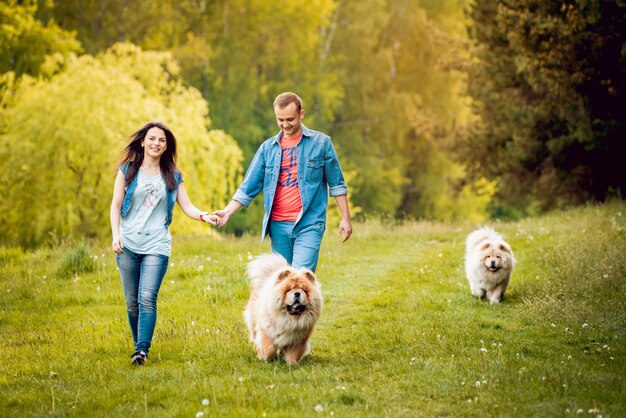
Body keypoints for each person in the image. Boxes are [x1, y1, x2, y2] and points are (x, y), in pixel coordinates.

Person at [110, 121, 217, 366]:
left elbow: (187, 206)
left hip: (157, 246)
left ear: (166, 146)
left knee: (147, 297)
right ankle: (139, 347)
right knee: (132, 300)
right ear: (143, 142)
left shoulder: (173, 175)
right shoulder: (127, 171)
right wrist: (116, 235)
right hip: (127, 244)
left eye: (162, 140)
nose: (156, 143)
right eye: (152, 139)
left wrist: (204, 216)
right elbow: (116, 205)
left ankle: (142, 351)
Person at [211, 92, 352, 272]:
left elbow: (337, 184)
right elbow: (248, 187)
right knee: (283, 282)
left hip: (309, 223)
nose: (285, 125)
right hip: (277, 226)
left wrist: (345, 218)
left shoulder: (321, 143)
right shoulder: (268, 148)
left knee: (300, 278)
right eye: (280, 120)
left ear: (301, 114)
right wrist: (227, 211)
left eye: (290, 119)